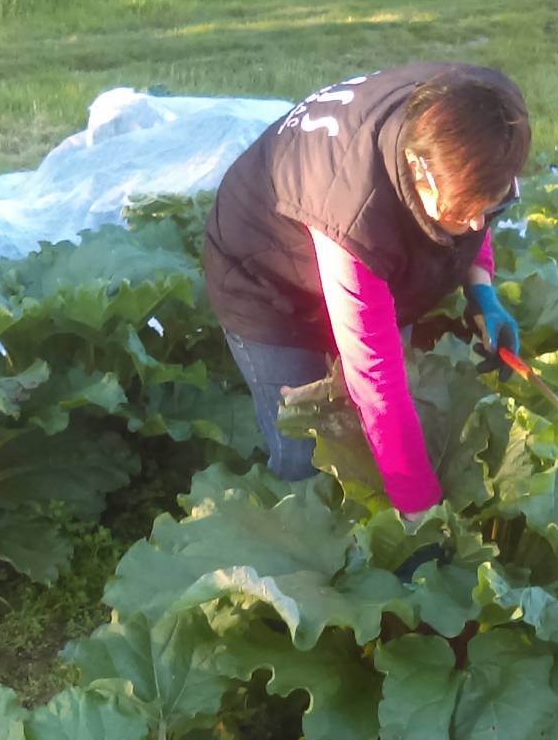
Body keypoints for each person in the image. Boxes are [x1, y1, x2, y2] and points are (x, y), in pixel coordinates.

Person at [203, 62, 531, 514]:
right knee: (306, 446)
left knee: (389, 430)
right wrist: (419, 514)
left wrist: (482, 289)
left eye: (492, 205)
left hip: (367, 248)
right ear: (419, 172)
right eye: (461, 212)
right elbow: (377, 383)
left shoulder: (479, 115)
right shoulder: (355, 212)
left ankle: (379, 507)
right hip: (263, 277)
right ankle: (310, 549)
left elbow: (473, 204)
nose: (477, 222)